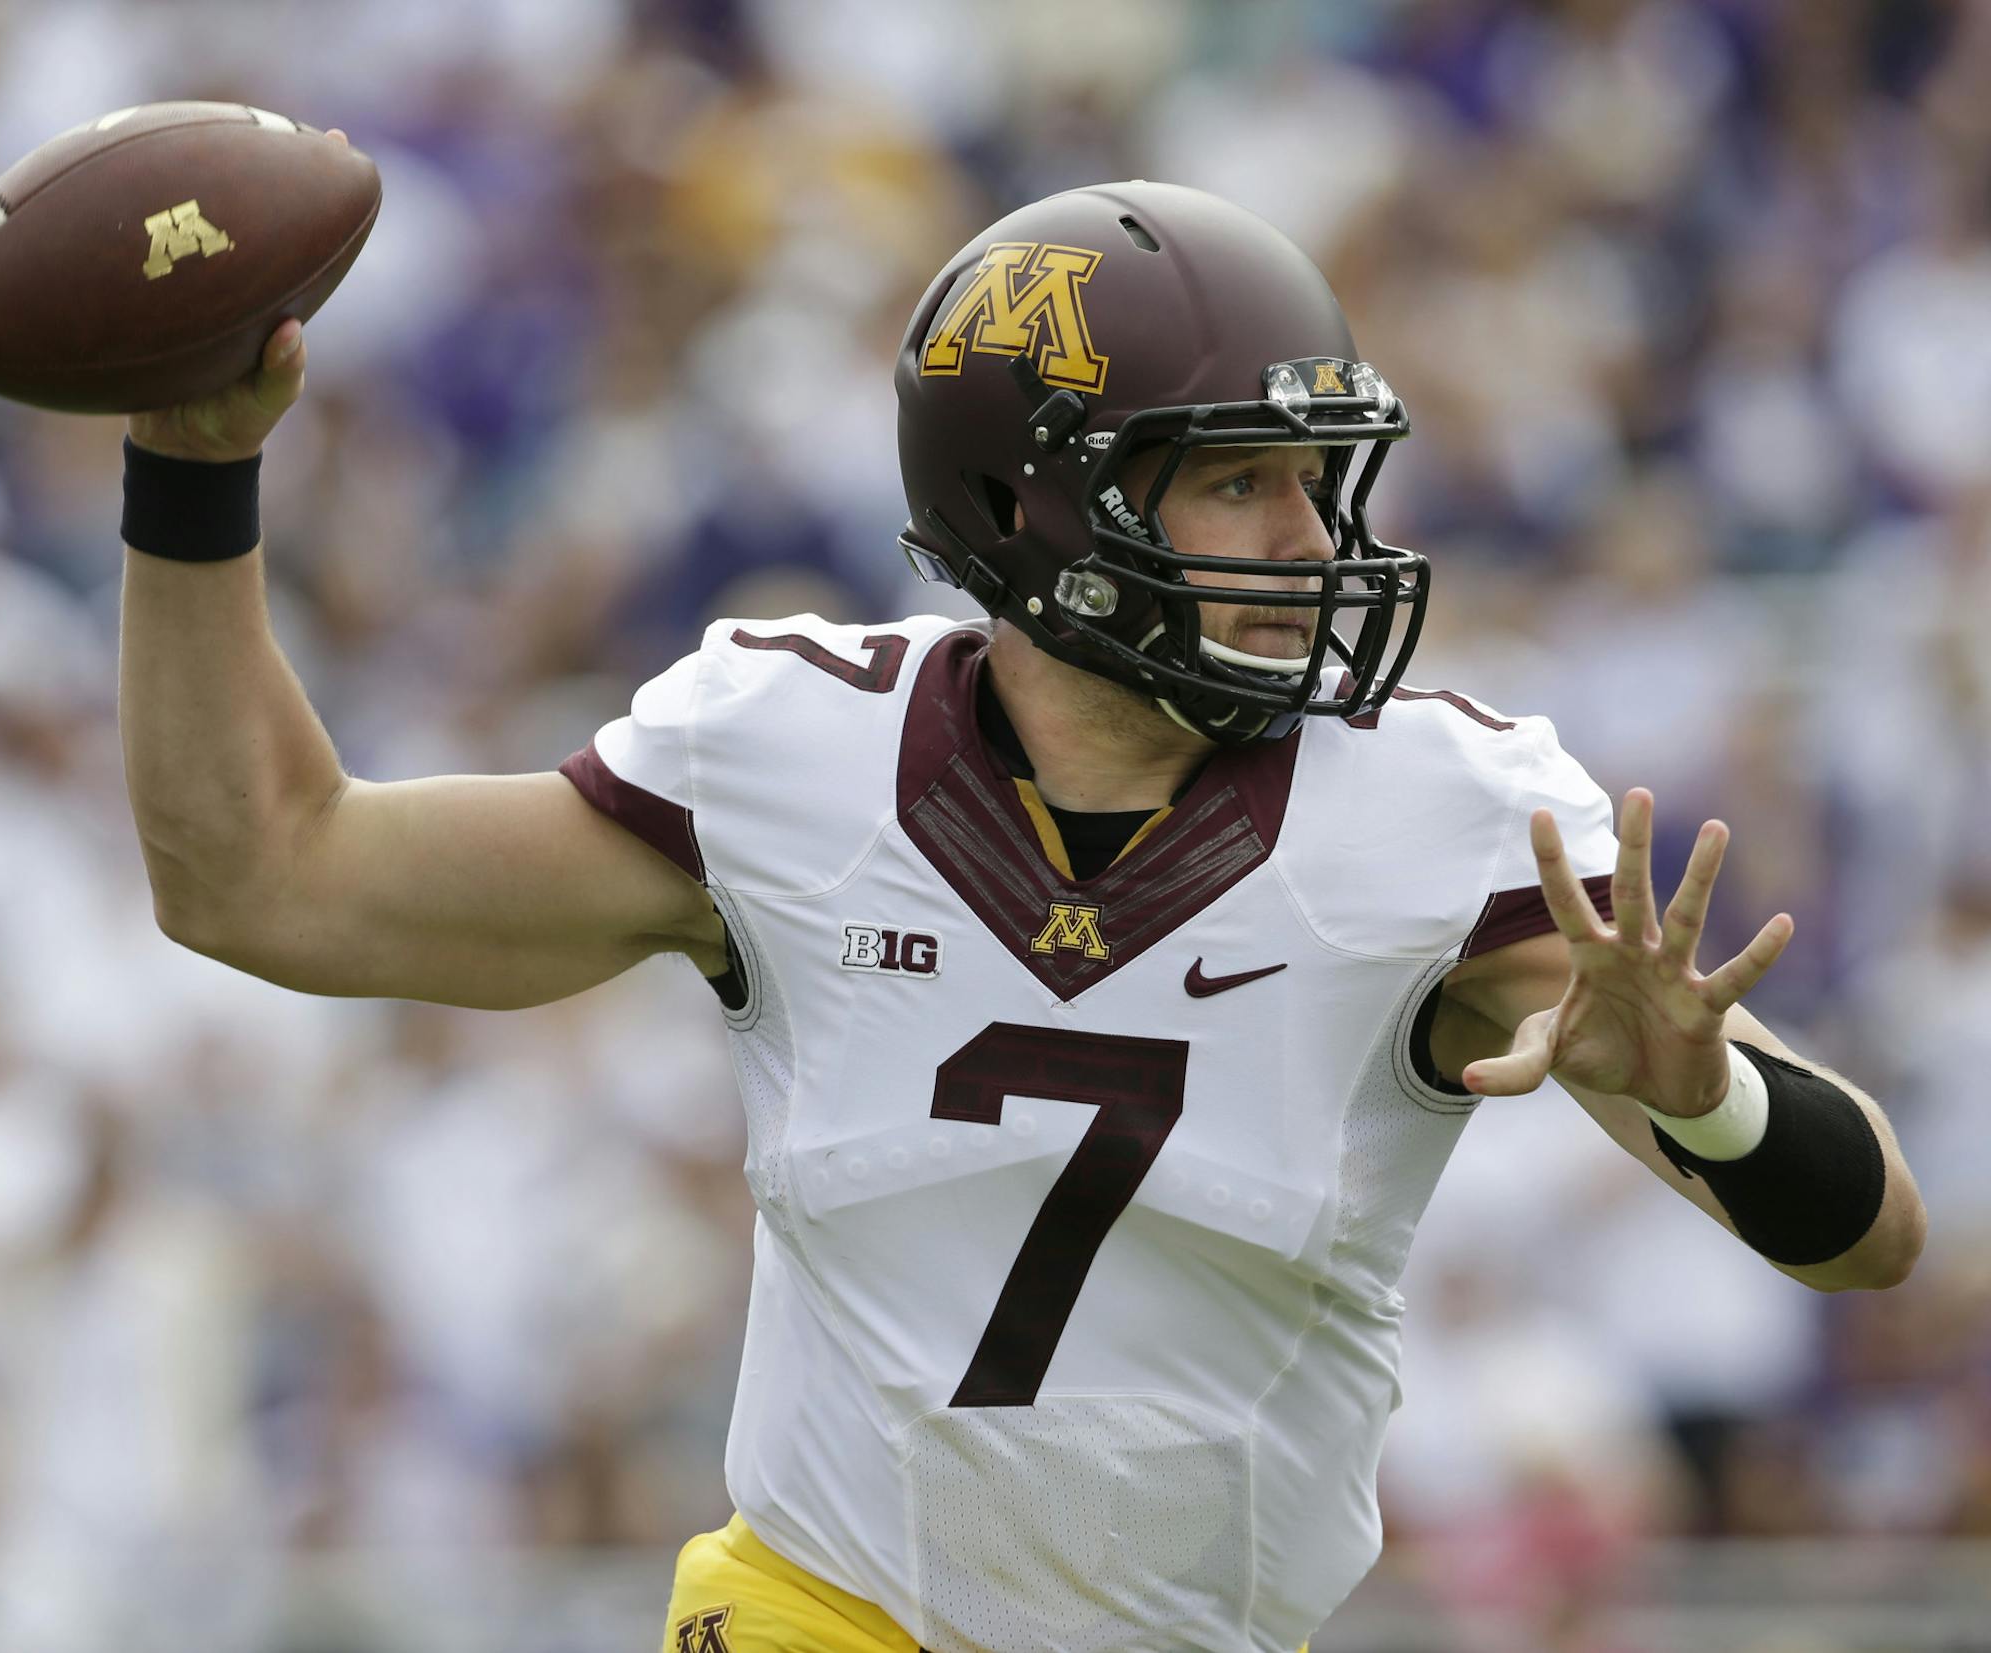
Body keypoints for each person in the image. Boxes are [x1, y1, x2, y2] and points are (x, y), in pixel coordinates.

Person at [114, 169, 1926, 1653]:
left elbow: (1870, 1238)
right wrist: (195, 470)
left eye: (1316, 479)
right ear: (1036, 514)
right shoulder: (791, 755)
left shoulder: (1437, 815)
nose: (1310, 543)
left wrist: (1709, 1093)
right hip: (822, 1617)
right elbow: (269, 877)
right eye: (1237, 480)